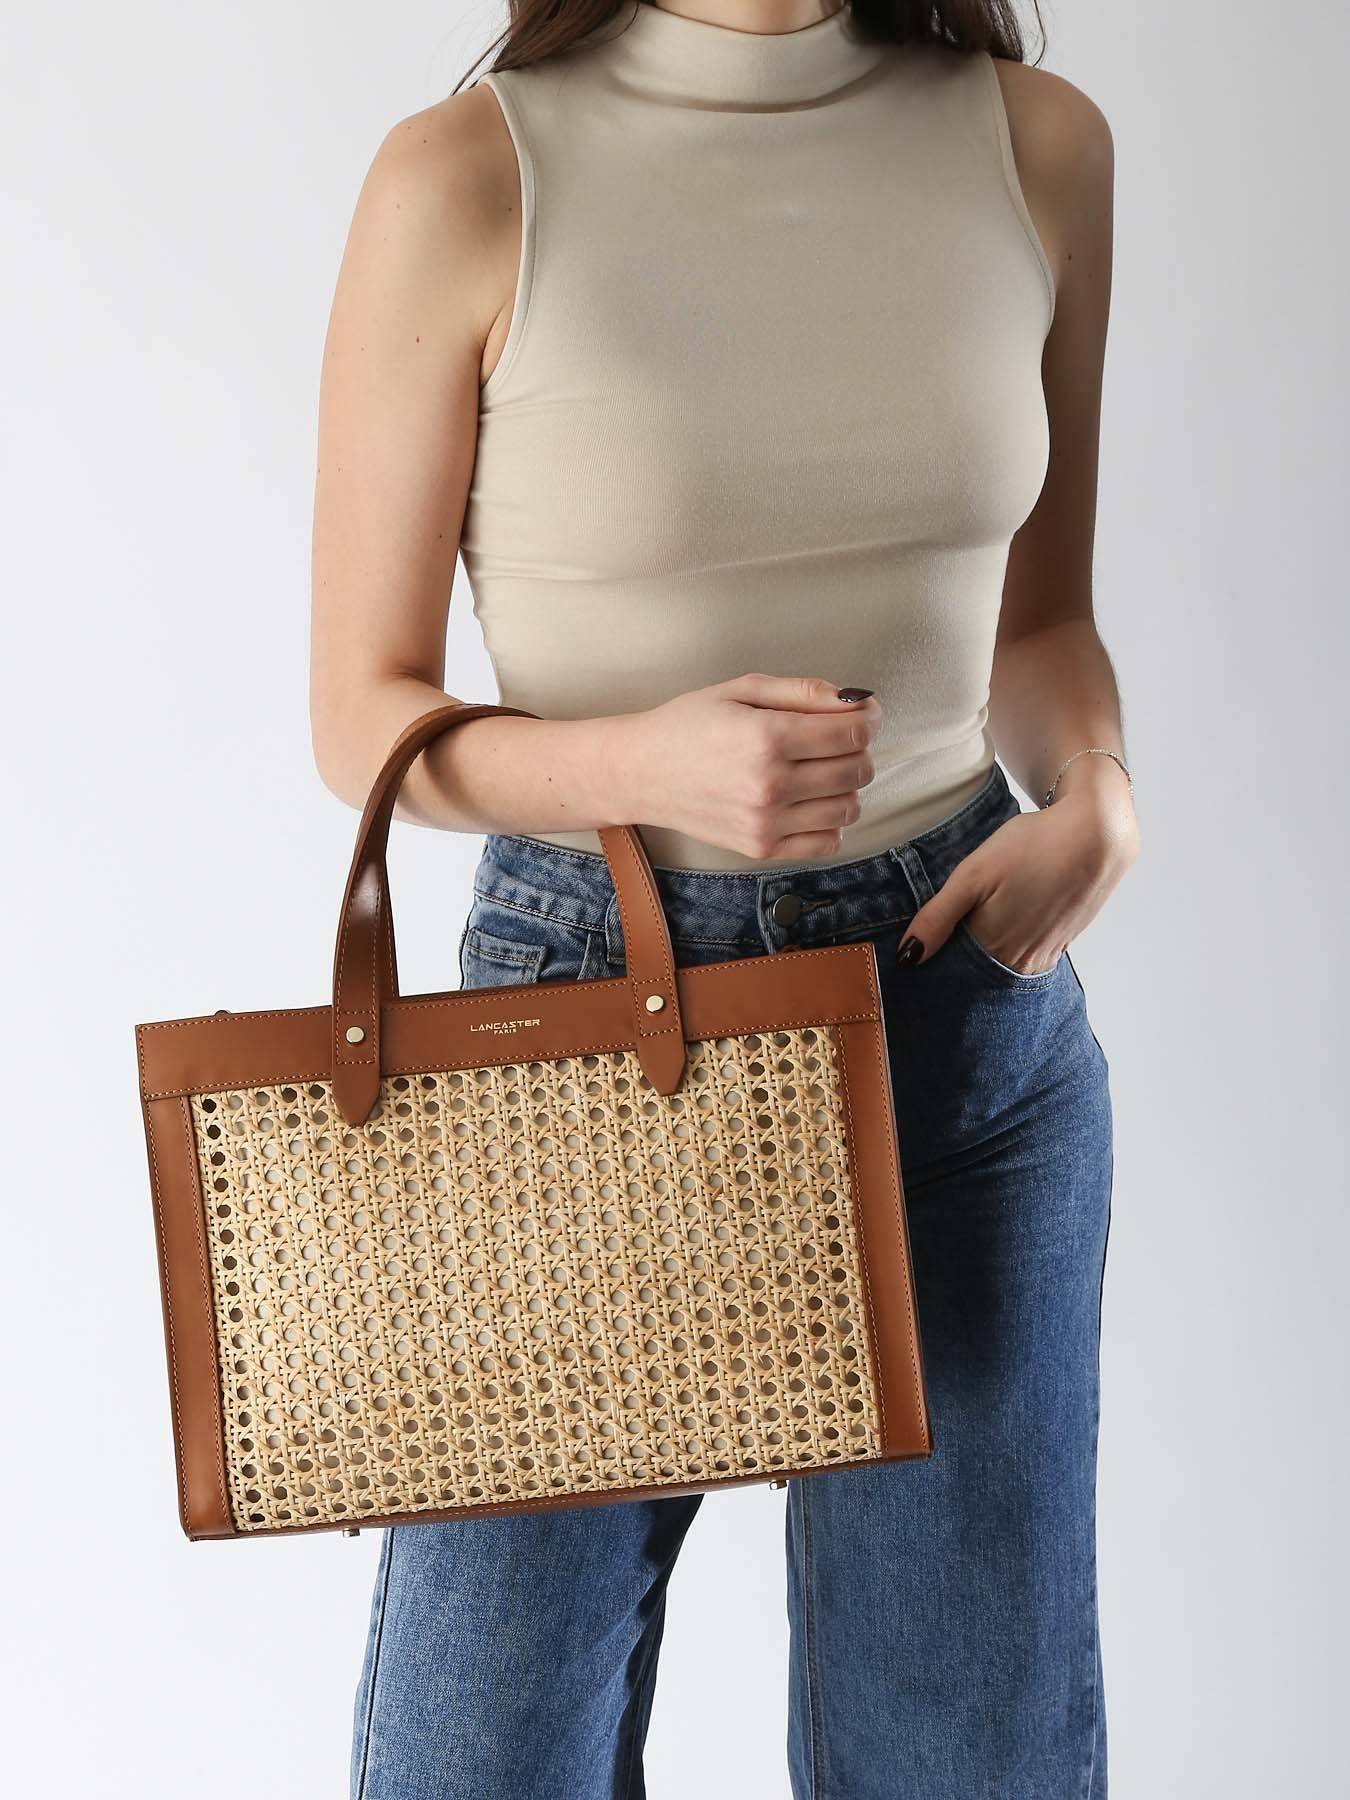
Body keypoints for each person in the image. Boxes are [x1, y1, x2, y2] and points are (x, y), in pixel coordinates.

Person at [309, 2, 1138, 1794]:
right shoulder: (467, 178)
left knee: (964, 1764)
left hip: (958, 1013)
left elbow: (1042, 622)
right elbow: (360, 715)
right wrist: (637, 765)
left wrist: (1098, 791)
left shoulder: (1038, 148)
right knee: (477, 1762)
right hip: (585, 1027)